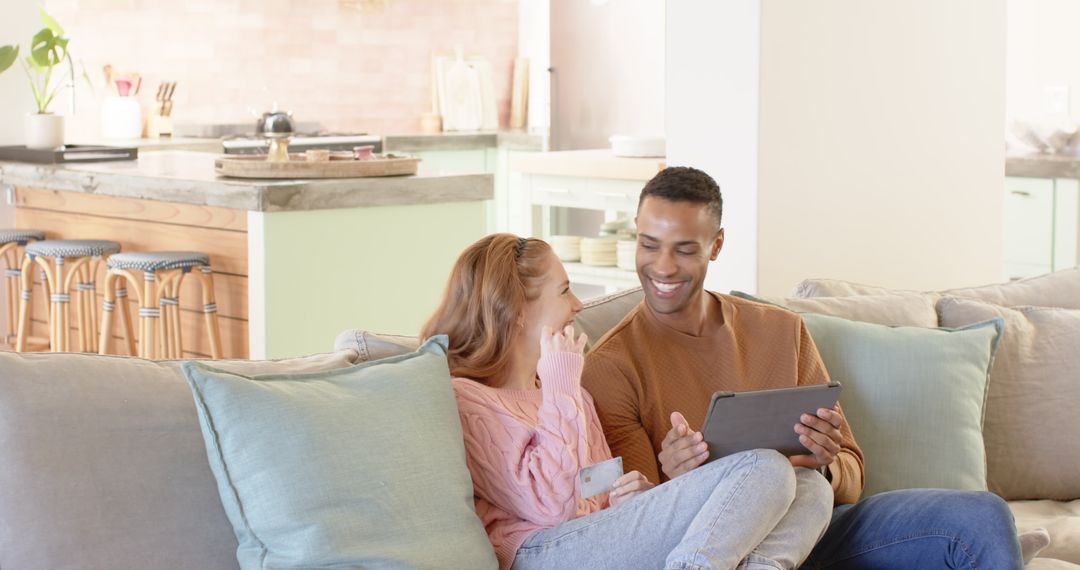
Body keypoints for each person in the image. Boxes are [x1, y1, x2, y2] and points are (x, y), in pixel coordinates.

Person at [582, 166, 1026, 569]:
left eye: (684, 249)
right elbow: (636, 525)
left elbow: (851, 473)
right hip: (719, 547)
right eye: (649, 245)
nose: (662, 266)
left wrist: (825, 465)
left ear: (716, 246)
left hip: (816, 525)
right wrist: (677, 479)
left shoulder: (780, 330)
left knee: (982, 515)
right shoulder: (611, 366)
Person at [422, 233, 835, 570]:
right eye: (564, 291)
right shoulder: (470, 399)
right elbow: (549, 506)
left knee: (810, 485)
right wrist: (560, 386)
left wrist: (623, 497)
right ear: (517, 311)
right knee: (763, 465)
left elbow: (594, 483)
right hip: (540, 553)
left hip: (600, 535)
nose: (577, 305)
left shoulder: (573, 394)